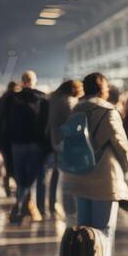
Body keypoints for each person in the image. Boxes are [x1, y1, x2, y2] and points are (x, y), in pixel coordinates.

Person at [60, 72, 128, 256]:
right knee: (104, 228)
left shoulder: (76, 109)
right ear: (103, 88)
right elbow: (120, 143)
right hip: (104, 176)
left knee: (84, 226)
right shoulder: (107, 111)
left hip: (79, 174)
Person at [1, 71, 50, 223]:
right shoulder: (42, 98)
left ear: (22, 82)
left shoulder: (11, 99)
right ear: (34, 81)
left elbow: (3, 122)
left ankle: (22, 205)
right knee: (33, 179)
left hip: (17, 144)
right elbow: (46, 125)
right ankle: (30, 207)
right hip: (35, 145)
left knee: (21, 178)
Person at [46, 79, 84, 220]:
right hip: (66, 143)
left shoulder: (53, 99)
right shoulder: (69, 102)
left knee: (56, 173)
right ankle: (71, 209)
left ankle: (51, 203)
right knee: (69, 176)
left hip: (54, 140)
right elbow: (74, 123)